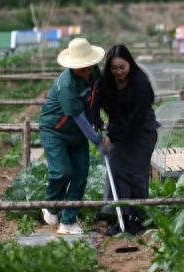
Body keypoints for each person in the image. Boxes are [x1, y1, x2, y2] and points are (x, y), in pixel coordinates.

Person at [38, 37, 104, 235]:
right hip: (55, 130)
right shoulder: (67, 85)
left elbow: (94, 98)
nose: (85, 72)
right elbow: (78, 117)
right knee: (62, 171)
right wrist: (97, 141)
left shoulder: (95, 73)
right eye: (81, 68)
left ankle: (68, 222)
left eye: (88, 67)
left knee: (81, 174)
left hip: (76, 133)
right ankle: (51, 204)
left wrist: (98, 120)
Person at [98, 44, 159, 236]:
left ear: (129, 64)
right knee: (116, 172)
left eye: (122, 67)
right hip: (119, 131)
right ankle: (120, 218)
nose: (118, 72)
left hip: (141, 133)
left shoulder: (140, 82)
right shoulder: (107, 82)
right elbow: (100, 102)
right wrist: (98, 123)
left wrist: (112, 137)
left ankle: (139, 219)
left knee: (136, 175)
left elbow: (135, 117)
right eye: (114, 68)